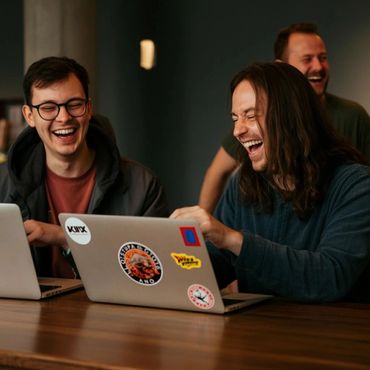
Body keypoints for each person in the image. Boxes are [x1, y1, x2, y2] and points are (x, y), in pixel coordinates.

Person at [171, 62, 370, 303]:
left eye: (250, 116)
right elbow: (215, 266)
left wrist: (233, 239)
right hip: (256, 336)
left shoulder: (356, 185)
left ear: (290, 116)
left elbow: (330, 278)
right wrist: (169, 263)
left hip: (330, 337)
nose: (237, 130)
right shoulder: (242, 186)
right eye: (235, 118)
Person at [0, 56, 169, 279]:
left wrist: (64, 236)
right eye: (48, 108)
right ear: (29, 116)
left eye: (74, 105)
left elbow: (155, 274)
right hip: (27, 314)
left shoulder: (142, 185)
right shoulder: (5, 184)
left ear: (88, 109)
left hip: (115, 313)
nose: (64, 117)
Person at [199, 22, 370, 213]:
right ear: (280, 67)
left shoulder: (352, 119)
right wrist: (204, 229)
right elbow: (217, 173)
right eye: (307, 59)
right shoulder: (244, 185)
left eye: (323, 58)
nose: (318, 67)